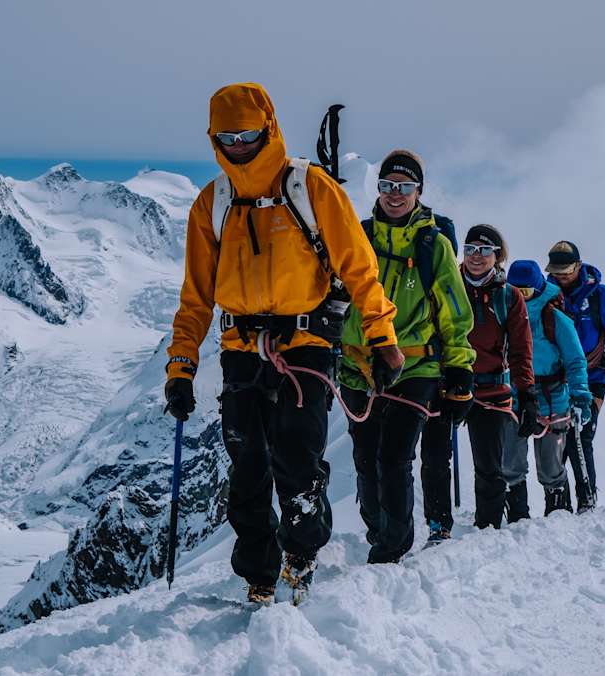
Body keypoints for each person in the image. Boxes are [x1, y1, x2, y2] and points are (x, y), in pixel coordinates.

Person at [163, 83, 399, 604]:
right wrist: (180, 368)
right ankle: (258, 574)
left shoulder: (310, 188)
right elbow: (196, 298)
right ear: (214, 137)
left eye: (249, 133)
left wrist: (382, 339)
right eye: (228, 135)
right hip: (240, 348)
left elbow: (359, 269)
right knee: (246, 467)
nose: (240, 144)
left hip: (307, 343)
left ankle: (301, 553)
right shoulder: (212, 204)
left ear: (268, 127)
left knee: (296, 459)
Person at [339, 149, 474, 564]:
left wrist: (459, 370)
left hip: (415, 366)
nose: (394, 195)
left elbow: (453, 311)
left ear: (419, 191)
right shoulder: (356, 236)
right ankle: (379, 528)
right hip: (358, 366)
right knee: (365, 458)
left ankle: (391, 548)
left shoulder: (434, 247)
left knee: (394, 456)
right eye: (387, 186)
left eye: (404, 187)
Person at [545, 241, 605, 512]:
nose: (561, 276)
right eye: (556, 271)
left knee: (581, 434)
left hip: (592, 374)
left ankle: (587, 500)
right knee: (556, 439)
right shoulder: (546, 294)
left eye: (566, 270)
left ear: (578, 266)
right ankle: (560, 506)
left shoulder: (600, 296)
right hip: (555, 378)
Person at [459, 224, 535, 528]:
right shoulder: (448, 285)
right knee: (435, 460)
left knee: (489, 465)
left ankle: (487, 527)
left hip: (491, 389)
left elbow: (520, 349)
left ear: (497, 256)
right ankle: (438, 526)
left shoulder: (509, 296)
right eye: (470, 249)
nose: (476, 257)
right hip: (447, 383)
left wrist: (526, 393)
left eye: (485, 250)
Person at [503, 260, 592, 514]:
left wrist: (580, 395)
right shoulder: (503, 313)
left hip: (552, 399)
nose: (521, 297)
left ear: (539, 289)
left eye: (527, 292)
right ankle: (517, 515)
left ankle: (557, 514)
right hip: (514, 397)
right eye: (516, 291)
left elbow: (575, 360)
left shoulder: (555, 319)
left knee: (551, 465)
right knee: (511, 461)